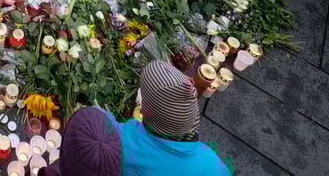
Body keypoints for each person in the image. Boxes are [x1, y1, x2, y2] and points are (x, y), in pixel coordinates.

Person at [40, 61, 229, 176]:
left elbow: (96, 125)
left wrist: (90, 111)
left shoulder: (126, 144)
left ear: (146, 111)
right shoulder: (213, 163)